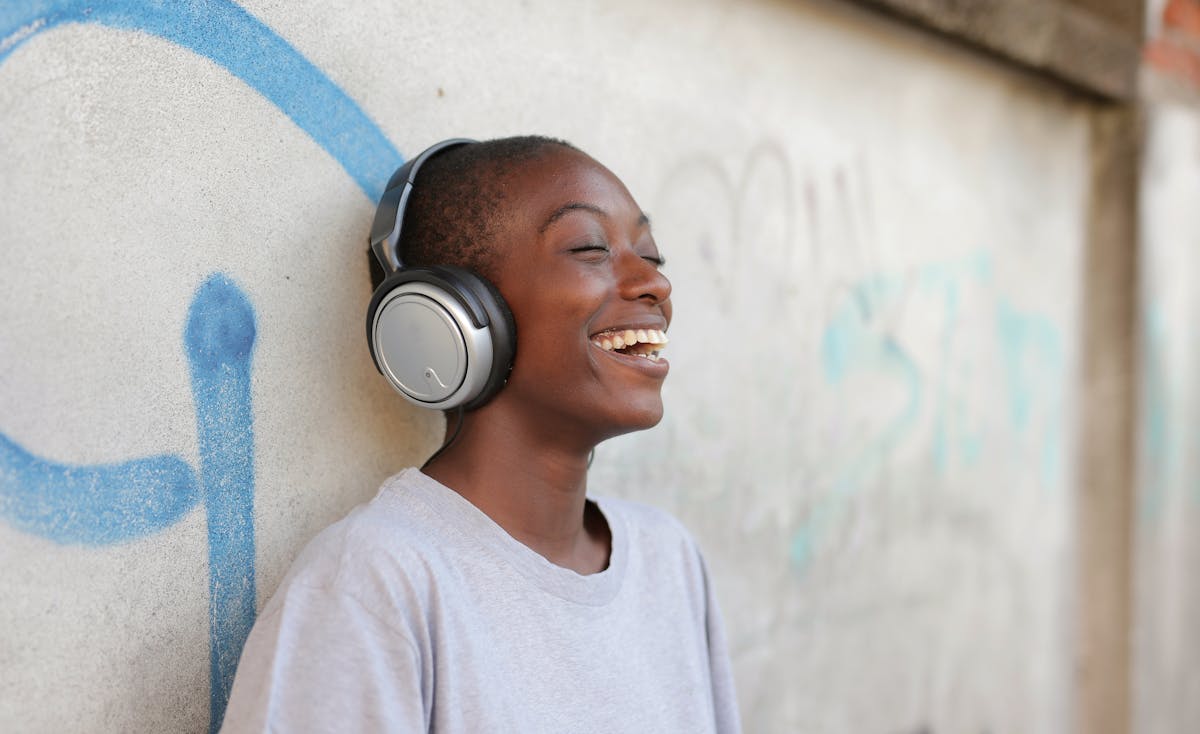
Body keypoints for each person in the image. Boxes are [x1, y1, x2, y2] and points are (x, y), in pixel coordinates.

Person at [220, 136, 741, 733]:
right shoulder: (373, 583)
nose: (655, 284)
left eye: (651, 256)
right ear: (451, 317)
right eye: (590, 248)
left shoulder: (668, 559)